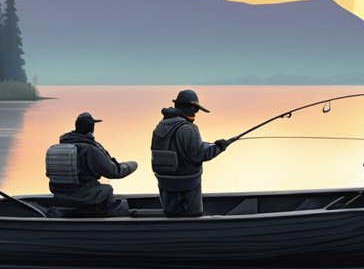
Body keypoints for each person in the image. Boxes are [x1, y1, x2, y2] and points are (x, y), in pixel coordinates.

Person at [151, 89, 231, 217]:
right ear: (191, 108)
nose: (196, 113)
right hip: (188, 183)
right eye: (196, 109)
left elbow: (182, 148)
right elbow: (199, 154)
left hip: (165, 182)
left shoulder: (161, 126)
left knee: (172, 215)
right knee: (193, 215)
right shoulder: (188, 128)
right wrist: (219, 147)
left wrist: (209, 145)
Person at [45, 112, 138, 217]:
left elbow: (49, 174)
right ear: (91, 130)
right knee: (107, 189)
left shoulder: (58, 149)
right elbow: (114, 172)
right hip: (84, 196)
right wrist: (133, 165)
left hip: (61, 196)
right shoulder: (90, 150)